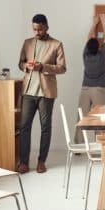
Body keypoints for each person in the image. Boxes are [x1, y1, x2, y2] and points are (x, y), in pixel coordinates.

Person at [17, 14, 67, 174]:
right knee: (24, 127)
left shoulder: (56, 44)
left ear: (46, 27)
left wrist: (43, 67)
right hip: (28, 92)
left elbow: (62, 68)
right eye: (34, 29)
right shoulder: (27, 43)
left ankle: (41, 161)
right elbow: (20, 63)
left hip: (46, 93)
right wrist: (27, 66)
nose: (37, 32)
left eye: (39, 29)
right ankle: (24, 162)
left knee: (45, 127)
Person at [74, 14, 105, 144]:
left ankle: (78, 144)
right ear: (98, 47)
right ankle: (100, 144)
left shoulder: (85, 54)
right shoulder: (102, 56)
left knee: (81, 117)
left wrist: (95, 23)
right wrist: (103, 23)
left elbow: (90, 37)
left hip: (85, 89)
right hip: (98, 90)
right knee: (99, 118)